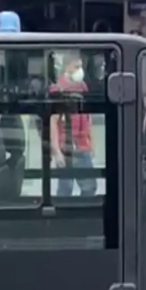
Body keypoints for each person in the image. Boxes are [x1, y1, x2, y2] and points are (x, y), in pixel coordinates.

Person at [49, 55, 98, 196]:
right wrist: (56, 151)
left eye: (81, 67)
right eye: (76, 67)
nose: (80, 71)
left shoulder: (82, 87)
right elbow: (53, 121)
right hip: (66, 147)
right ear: (67, 67)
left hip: (83, 146)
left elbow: (87, 118)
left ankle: (84, 215)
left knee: (89, 187)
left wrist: (91, 143)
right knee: (65, 189)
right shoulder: (58, 89)